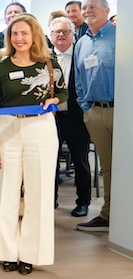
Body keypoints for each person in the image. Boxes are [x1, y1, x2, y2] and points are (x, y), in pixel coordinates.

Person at [0, 14, 64, 275]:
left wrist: (54, 101)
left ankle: (31, 253)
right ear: (9, 37)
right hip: (7, 128)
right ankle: (6, 251)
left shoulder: (49, 64)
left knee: (38, 192)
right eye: (15, 33)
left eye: (24, 33)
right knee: (5, 190)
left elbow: (63, 92)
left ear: (34, 36)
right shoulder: (0, 68)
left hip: (40, 128)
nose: (19, 38)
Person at [74, 0, 115, 232]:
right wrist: (85, 106)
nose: (88, 10)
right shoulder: (82, 43)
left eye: (93, 7)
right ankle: (108, 215)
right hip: (94, 113)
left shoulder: (120, 36)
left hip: (121, 111)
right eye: (85, 7)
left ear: (107, 11)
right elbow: (79, 78)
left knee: (125, 165)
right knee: (107, 167)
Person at [49, 17, 91, 217]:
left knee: (80, 161)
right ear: (51, 36)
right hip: (51, 118)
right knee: (50, 161)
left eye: (65, 31)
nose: (61, 35)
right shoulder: (44, 58)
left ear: (73, 35)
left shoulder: (81, 54)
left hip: (76, 118)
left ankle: (83, 202)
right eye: (57, 32)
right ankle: (51, 200)